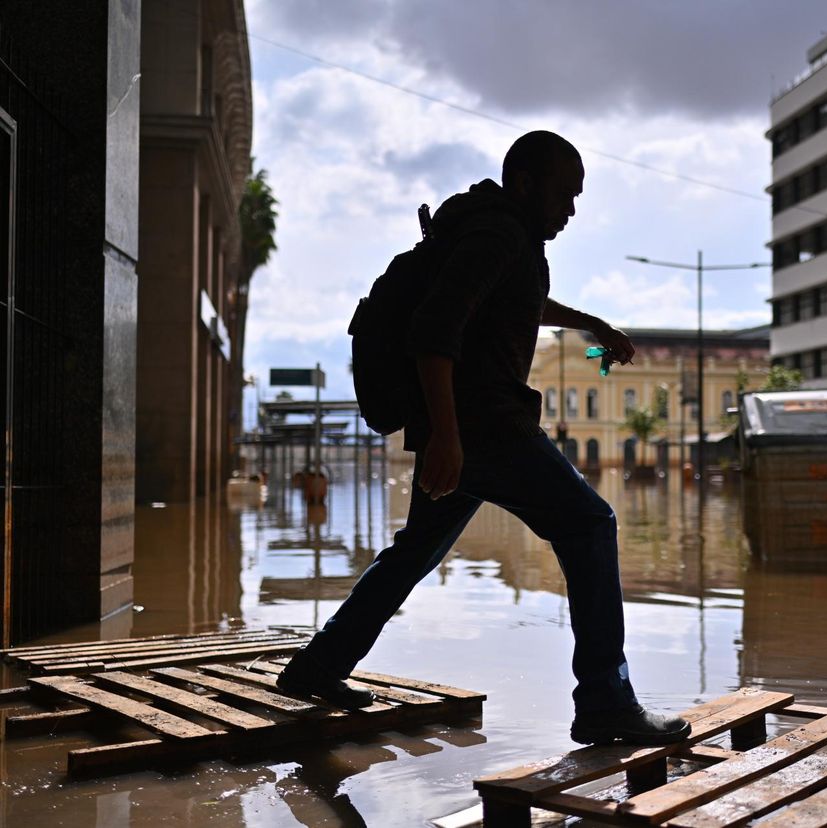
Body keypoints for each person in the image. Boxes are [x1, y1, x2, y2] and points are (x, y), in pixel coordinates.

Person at [278, 131, 691, 745]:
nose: (571, 212)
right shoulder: (498, 233)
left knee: (414, 552)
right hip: (483, 423)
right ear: (525, 182)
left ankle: (317, 668)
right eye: (563, 195)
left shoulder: (498, 234)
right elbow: (434, 330)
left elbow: (514, 300)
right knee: (590, 525)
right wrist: (447, 435)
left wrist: (589, 323)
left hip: (466, 427)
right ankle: (605, 699)